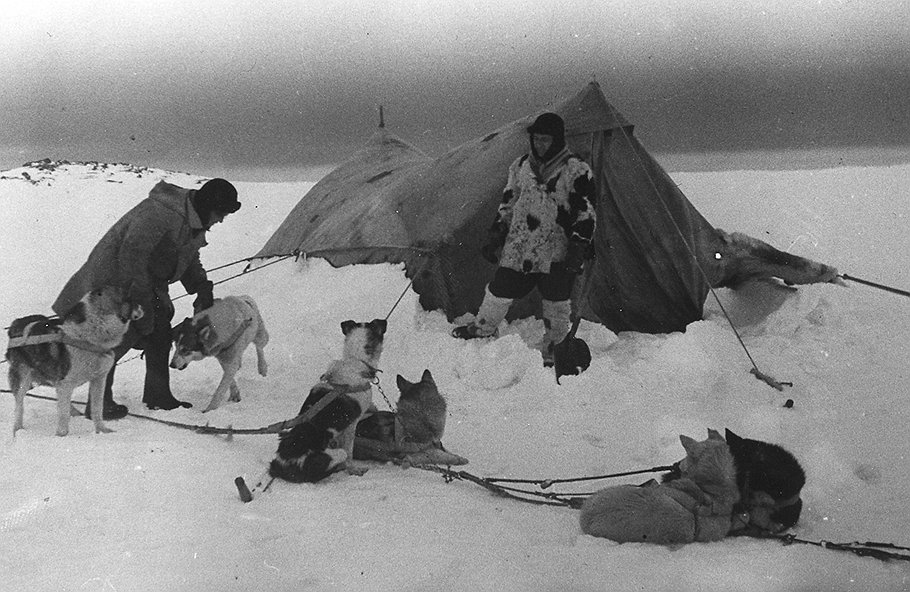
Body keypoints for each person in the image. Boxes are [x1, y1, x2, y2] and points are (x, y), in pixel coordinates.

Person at [52, 178, 241, 418]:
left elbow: (188, 256)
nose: (221, 219)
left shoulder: (193, 220)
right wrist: (141, 305)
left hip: (144, 283)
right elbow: (131, 258)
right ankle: (98, 402)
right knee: (115, 338)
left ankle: (158, 395)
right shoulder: (159, 214)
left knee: (161, 332)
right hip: (112, 286)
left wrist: (202, 286)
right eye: (220, 213)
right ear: (206, 206)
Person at [452, 112, 596, 366]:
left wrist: (579, 245)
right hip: (521, 247)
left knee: (556, 301)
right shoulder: (521, 167)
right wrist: (497, 234)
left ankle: (555, 348)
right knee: (500, 288)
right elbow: (508, 202)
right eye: (537, 139)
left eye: (546, 140)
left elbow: (585, 211)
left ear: (558, 140)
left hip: (557, 250)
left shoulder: (576, 169)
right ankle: (483, 327)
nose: (540, 145)